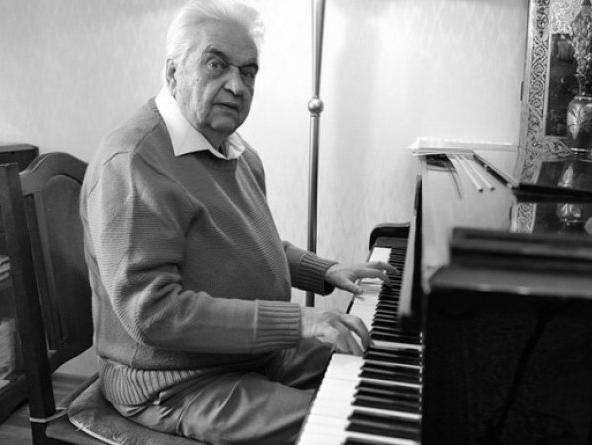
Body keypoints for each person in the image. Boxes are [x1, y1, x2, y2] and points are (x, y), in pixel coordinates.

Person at [80, 1, 395, 443]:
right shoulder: (134, 163)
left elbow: (246, 246)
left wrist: (326, 270)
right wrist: (299, 322)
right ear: (173, 72)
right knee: (352, 427)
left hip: (252, 354)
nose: (236, 85)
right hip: (175, 382)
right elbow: (152, 313)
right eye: (216, 64)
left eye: (248, 72)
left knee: (382, 373)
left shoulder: (237, 152)